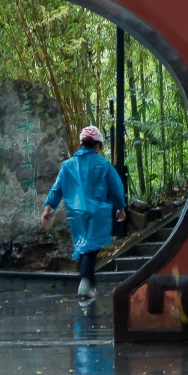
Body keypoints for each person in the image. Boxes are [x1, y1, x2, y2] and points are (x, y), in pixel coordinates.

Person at [41, 126, 126, 301]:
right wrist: (121, 207)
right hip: (97, 211)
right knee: (90, 248)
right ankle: (85, 283)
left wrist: (47, 209)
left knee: (83, 246)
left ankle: (88, 285)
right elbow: (115, 187)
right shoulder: (103, 164)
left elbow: (57, 188)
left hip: (76, 213)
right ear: (98, 145)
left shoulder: (68, 165)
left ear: (81, 143)